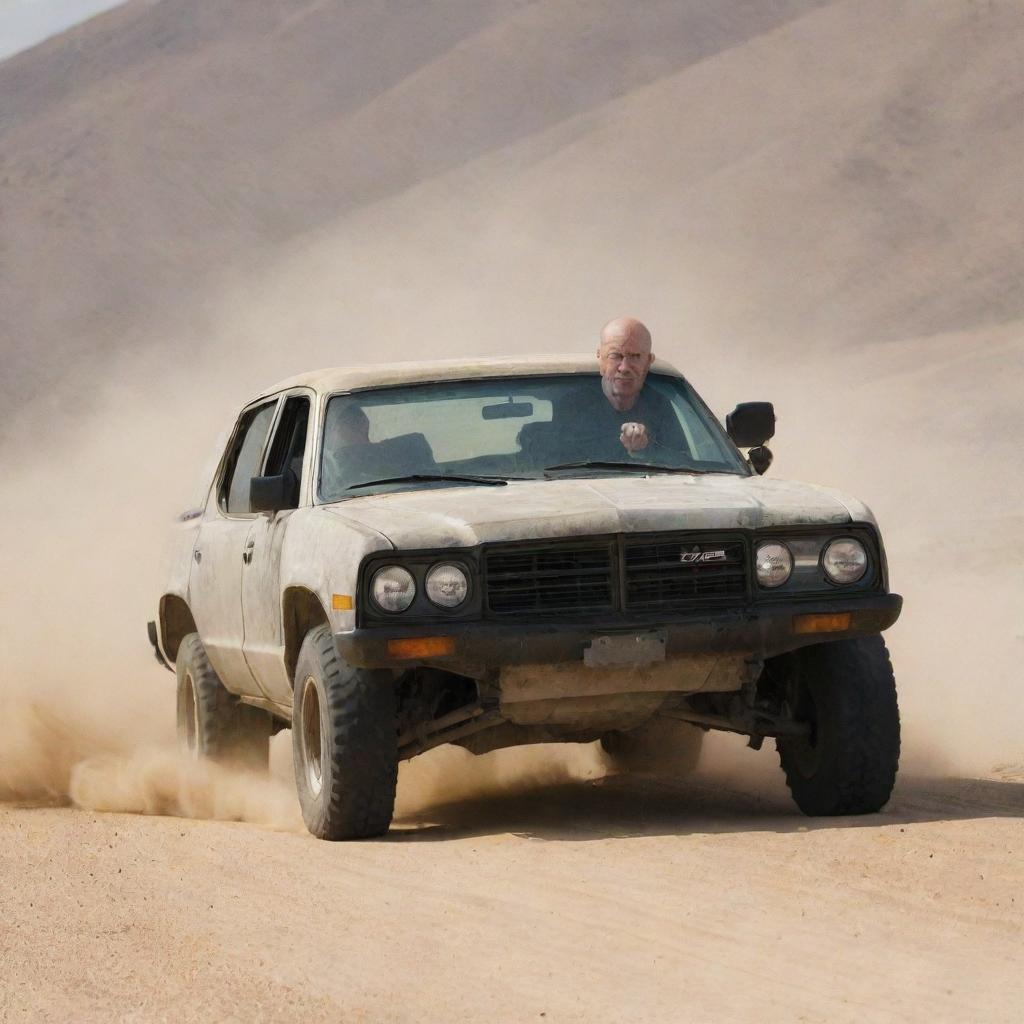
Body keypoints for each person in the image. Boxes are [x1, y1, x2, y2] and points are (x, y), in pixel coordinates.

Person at [556, 317, 685, 461]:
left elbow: (682, 462)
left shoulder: (659, 404)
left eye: (635, 357)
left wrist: (644, 448)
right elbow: (563, 465)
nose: (624, 368)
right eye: (615, 356)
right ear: (600, 359)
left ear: (648, 362)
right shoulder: (574, 406)